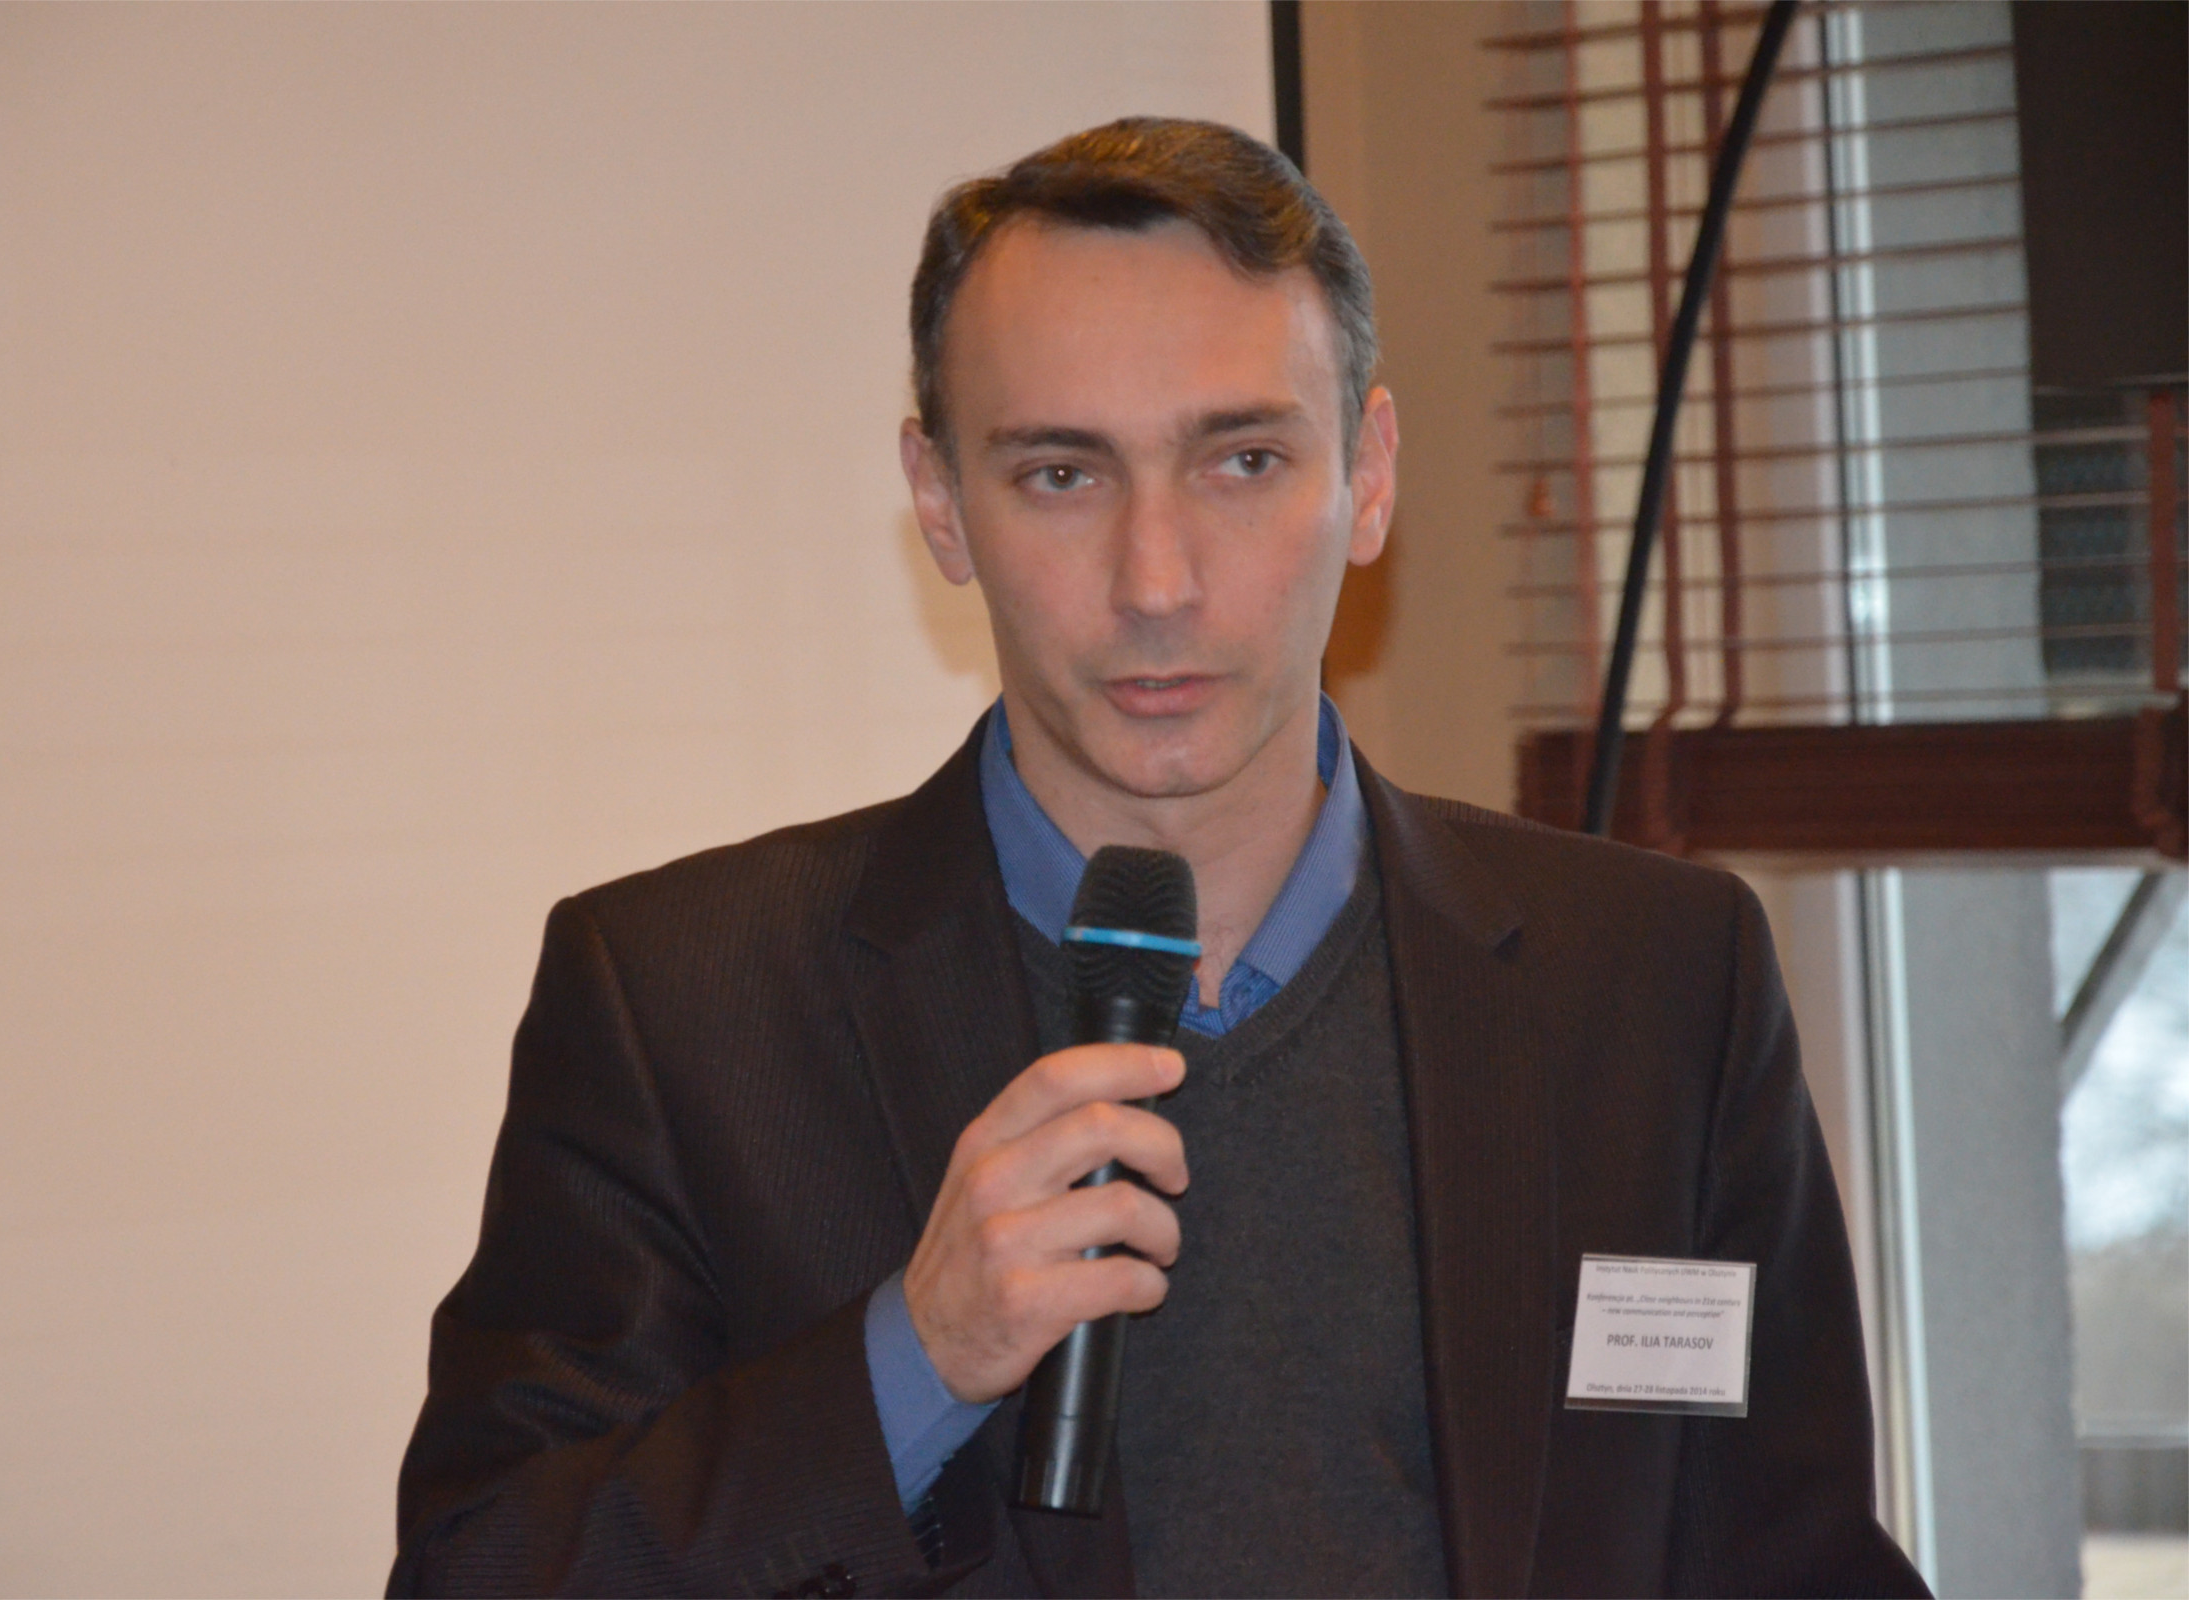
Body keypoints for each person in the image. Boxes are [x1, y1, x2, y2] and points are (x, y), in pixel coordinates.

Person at [390, 118, 1927, 1599]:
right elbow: (480, 1572)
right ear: (941, 504)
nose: (1157, 580)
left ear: (1368, 474)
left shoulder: (1657, 982)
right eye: (1062, 474)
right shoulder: (683, 1004)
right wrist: (911, 1364)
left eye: (1241, 461)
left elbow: (1792, 1564)